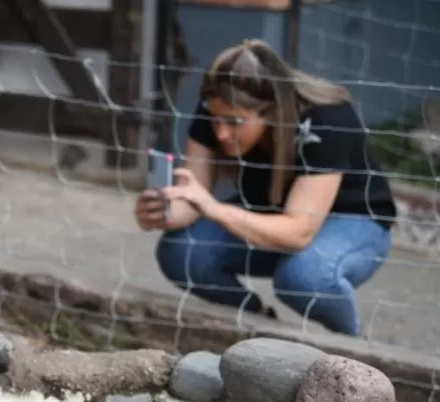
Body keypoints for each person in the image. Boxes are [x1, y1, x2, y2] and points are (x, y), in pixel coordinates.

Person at [135, 38, 396, 337]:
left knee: (302, 277)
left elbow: (298, 232)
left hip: (353, 223)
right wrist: (163, 211)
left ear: (270, 111)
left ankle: (354, 348)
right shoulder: (216, 109)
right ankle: (258, 324)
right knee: (180, 251)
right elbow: (194, 197)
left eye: (234, 122)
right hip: (271, 216)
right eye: (215, 119)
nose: (220, 132)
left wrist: (215, 209)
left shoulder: (327, 118)